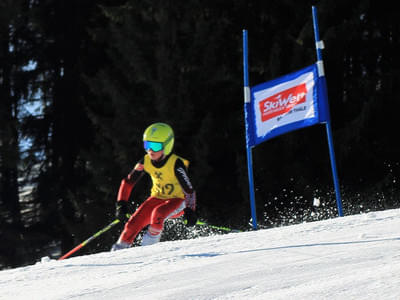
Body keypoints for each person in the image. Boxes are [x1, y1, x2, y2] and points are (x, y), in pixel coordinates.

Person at [111, 122, 197, 251]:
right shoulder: (145, 161)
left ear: (166, 146)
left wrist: (191, 211)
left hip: (178, 201)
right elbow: (128, 182)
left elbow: (189, 190)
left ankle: (148, 252)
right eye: (147, 145)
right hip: (157, 198)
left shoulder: (176, 163)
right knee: (132, 224)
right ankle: (116, 254)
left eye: (155, 146)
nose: (150, 150)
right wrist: (121, 204)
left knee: (158, 213)